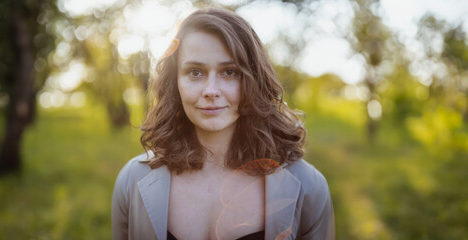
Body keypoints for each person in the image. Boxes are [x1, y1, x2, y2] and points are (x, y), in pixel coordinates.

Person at [112, 8, 334, 240]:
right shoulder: (132, 181)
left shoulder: (308, 186)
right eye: (195, 72)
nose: (211, 91)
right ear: (174, 82)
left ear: (254, 80)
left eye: (229, 72)